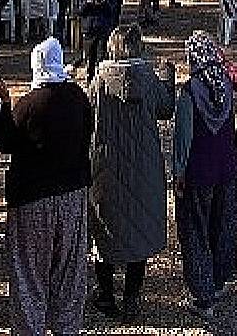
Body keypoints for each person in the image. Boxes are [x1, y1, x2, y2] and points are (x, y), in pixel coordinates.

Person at [0, 38, 95, 336]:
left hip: (33, 198)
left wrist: (1, 104)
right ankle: (66, 329)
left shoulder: (30, 104)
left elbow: (5, 142)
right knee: (69, 273)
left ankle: (30, 330)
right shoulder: (78, 98)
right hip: (72, 193)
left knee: (29, 274)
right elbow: (88, 133)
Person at [86, 24, 176, 323]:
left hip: (107, 162)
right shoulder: (149, 77)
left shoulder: (100, 80)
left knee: (105, 228)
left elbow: (89, 118)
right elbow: (165, 108)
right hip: (144, 162)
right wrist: (168, 77)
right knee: (139, 227)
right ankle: (133, 297)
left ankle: (106, 294)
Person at [172, 32, 237, 318]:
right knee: (223, 226)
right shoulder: (225, 84)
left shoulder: (190, 93)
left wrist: (178, 172)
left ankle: (203, 294)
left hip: (199, 171)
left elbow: (183, 138)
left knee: (196, 231)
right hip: (227, 167)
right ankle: (220, 278)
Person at [78, 0, 114, 81]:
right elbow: (79, 10)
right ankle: (90, 83)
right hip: (89, 30)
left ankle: (102, 83)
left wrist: (104, 2)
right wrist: (88, 2)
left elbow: (112, 11)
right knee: (89, 60)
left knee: (102, 60)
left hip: (104, 29)